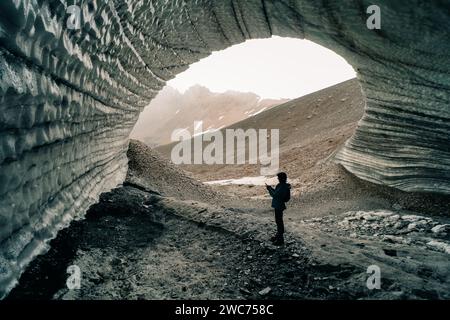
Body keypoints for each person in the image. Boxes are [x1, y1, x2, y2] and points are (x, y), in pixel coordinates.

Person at [265, 172, 291, 246]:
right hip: (279, 205)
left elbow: (275, 195)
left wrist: (269, 189)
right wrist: (270, 189)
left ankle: (280, 239)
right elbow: (276, 194)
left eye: (279, 178)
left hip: (278, 206)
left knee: (279, 222)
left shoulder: (282, 186)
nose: (278, 179)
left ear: (281, 178)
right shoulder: (282, 186)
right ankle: (278, 236)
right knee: (278, 221)